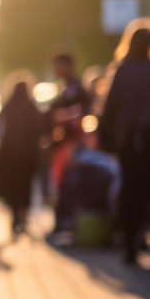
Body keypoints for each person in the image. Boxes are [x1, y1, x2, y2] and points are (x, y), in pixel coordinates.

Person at [98, 18, 150, 268]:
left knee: (131, 191)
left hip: (130, 139)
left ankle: (131, 245)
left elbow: (110, 107)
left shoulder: (122, 71)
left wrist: (106, 137)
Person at [0, 77, 43, 238]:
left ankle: (15, 214)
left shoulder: (8, 106)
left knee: (12, 187)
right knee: (25, 186)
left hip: (10, 154)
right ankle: (22, 214)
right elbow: (41, 128)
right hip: (28, 154)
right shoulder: (32, 106)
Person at [47, 50, 93, 229]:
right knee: (59, 184)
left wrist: (64, 117)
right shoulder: (63, 87)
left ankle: (68, 223)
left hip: (72, 144)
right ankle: (63, 222)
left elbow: (84, 114)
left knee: (68, 183)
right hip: (62, 144)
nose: (55, 69)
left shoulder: (76, 88)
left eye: (59, 65)